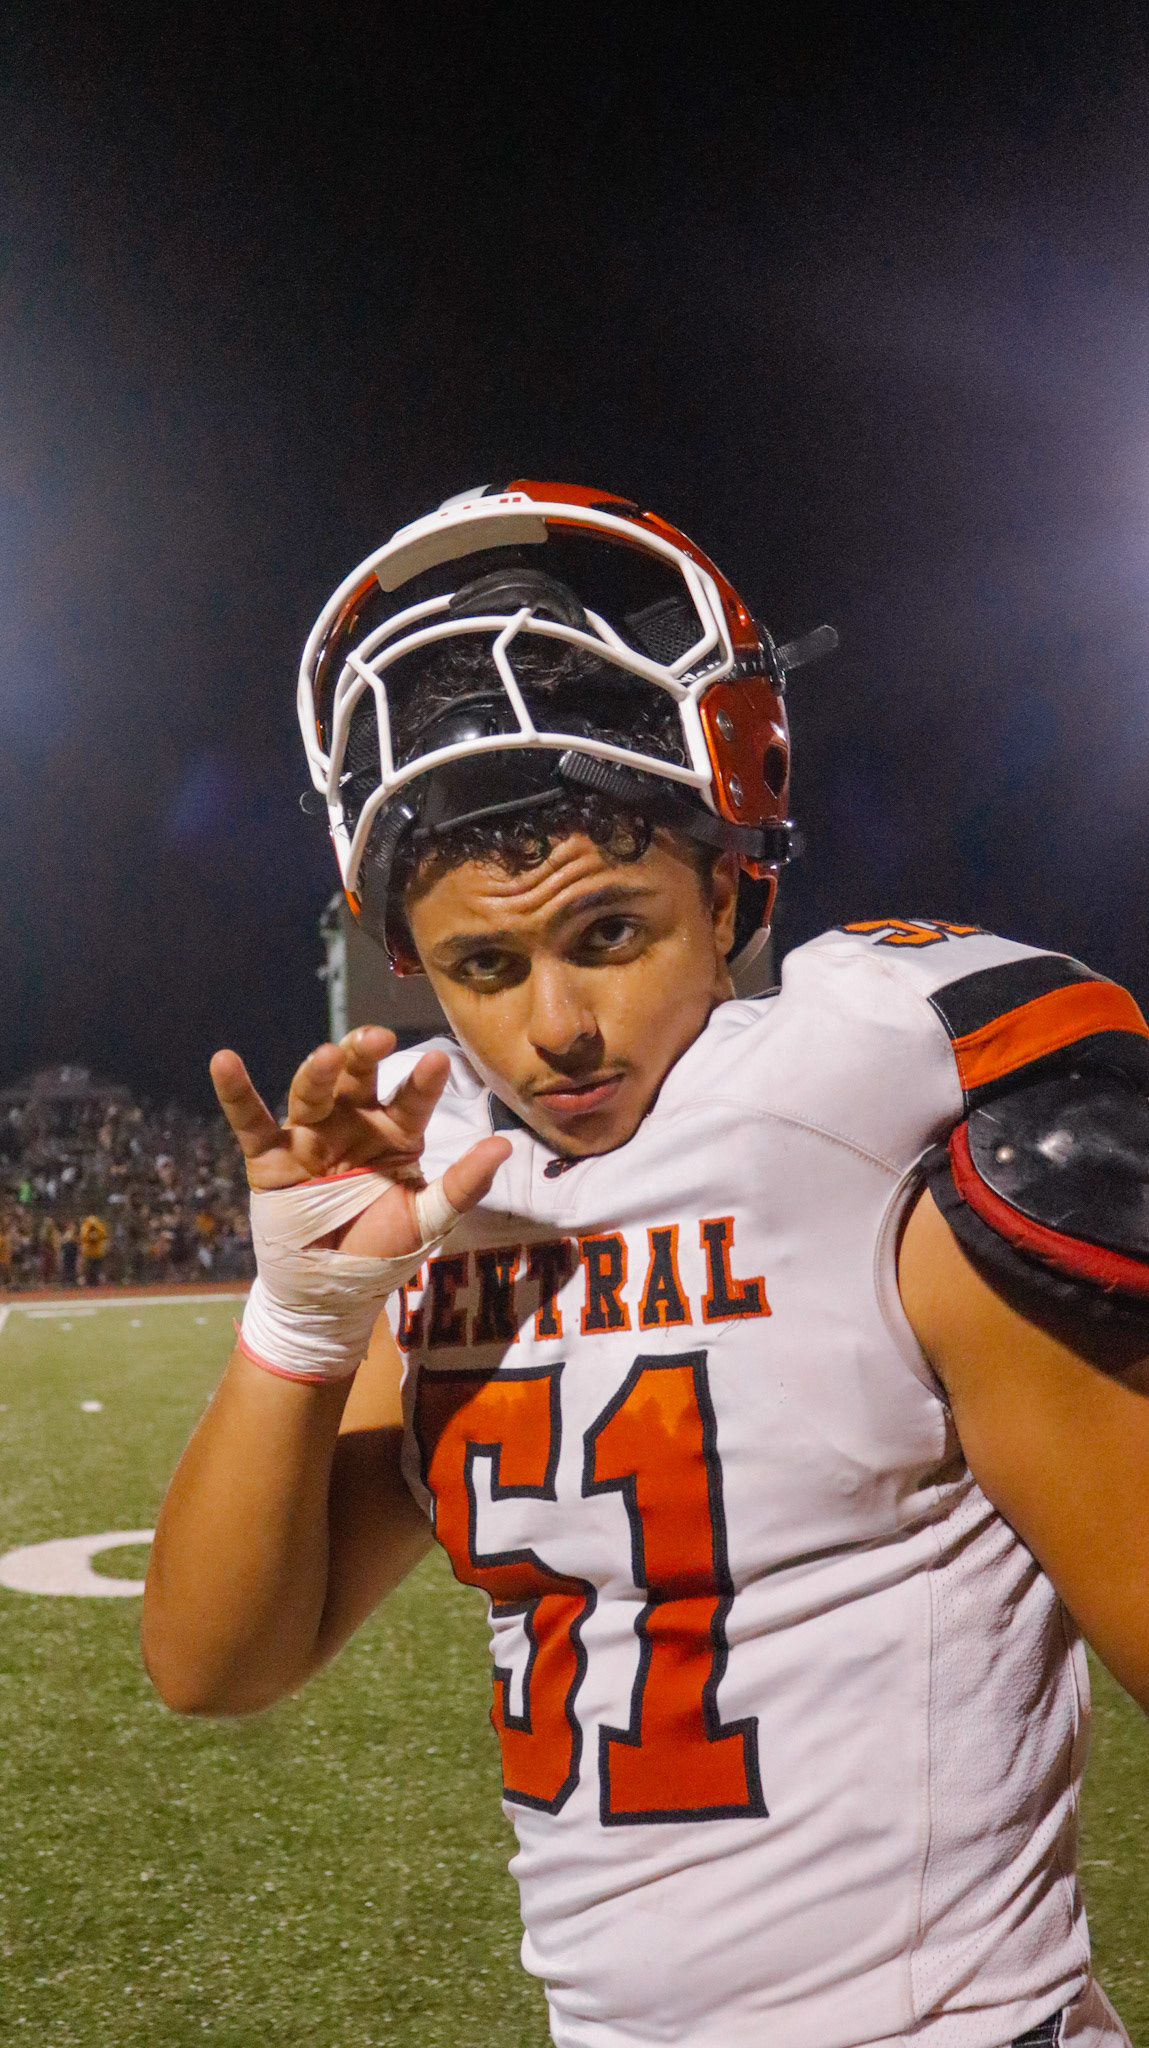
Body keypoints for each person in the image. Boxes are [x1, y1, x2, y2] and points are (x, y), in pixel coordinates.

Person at [143, 484, 1149, 2048]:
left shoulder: (880, 1146)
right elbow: (213, 1662)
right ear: (414, 968)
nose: (553, 1026)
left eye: (606, 934)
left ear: (728, 888)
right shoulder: (452, 1205)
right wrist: (302, 1314)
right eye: (485, 965)